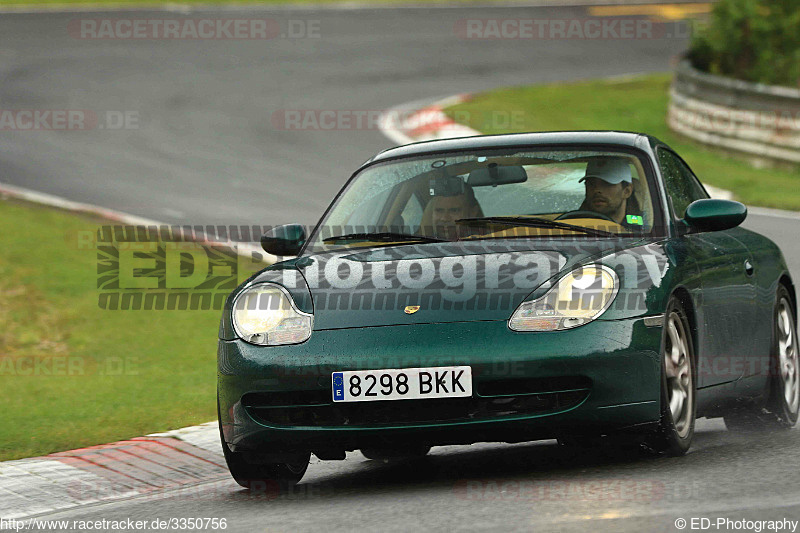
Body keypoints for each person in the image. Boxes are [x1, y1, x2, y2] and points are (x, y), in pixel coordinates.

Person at [578, 157, 643, 231]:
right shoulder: (570, 225)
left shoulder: (644, 229)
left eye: (607, 184)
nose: (597, 190)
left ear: (627, 191)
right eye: (591, 183)